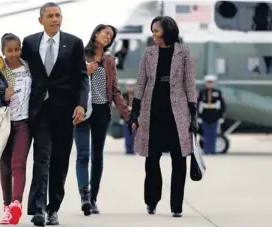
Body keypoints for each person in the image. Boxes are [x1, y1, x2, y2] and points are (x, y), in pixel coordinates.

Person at [0, 3, 89, 226]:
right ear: (41, 20)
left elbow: (82, 78)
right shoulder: (29, 43)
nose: (55, 19)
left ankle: (53, 208)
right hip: (38, 111)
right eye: (50, 16)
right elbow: (9, 65)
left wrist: (81, 105)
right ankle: (37, 208)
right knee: (42, 158)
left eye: (58, 15)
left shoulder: (75, 43)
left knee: (59, 161)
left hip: (65, 111)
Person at [128, 16, 198, 217]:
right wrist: (135, 113)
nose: (153, 34)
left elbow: (190, 83)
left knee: (179, 160)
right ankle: (151, 200)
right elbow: (141, 83)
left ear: (166, 31)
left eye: (156, 30)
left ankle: (176, 205)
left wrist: (193, 115)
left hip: (178, 113)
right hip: (153, 111)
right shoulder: (148, 52)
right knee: (151, 160)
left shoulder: (183, 51)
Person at [74, 24, 130, 216]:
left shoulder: (109, 61)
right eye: (106, 33)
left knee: (97, 155)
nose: (108, 37)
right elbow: (69, 80)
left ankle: (93, 199)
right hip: (81, 109)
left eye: (111, 36)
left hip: (101, 111)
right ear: (96, 32)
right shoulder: (79, 55)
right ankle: (84, 197)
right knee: (83, 154)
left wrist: (125, 112)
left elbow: (114, 89)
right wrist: (85, 72)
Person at [0, 33, 32, 225]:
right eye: (9, 51)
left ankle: (16, 204)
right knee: (5, 167)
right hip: (4, 124)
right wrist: (3, 98)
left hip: (24, 124)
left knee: (19, 164)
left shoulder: (28, 68)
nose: (13, 54)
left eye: (16, 49)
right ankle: (6, 207)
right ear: (3, 51)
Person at [197, 75, 226, 154]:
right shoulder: (202, 92)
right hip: (205, 115)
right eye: (208, 82)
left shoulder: (218, 92)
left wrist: (221, 117)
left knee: (213, 135)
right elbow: (198, 104)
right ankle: (206, 150)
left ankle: (213, 150)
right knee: (205, 134)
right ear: (206, 83)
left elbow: (222, 105)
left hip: (214, 116)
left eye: (211, 82)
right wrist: (198, 116)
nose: (209, 84)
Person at [122, 79, 136, 154]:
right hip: (127, 118)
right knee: (127, 134)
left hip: (135, 118)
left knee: (135, 134)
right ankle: (128, 149)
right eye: (129, 86)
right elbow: (122, 106)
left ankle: (134, 148)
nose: (130, 88)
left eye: (132, 86)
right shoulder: (124, 95)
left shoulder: (137, 95)